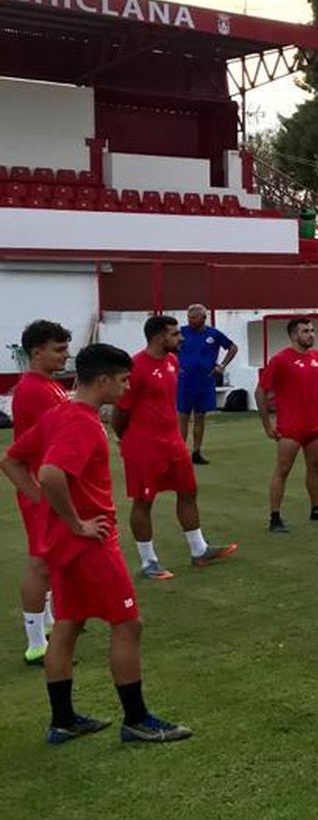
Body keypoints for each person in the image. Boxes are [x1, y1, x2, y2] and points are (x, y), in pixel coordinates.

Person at [1, 343, 192, 744]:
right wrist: (77, 522)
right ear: (103, 380)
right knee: (128, 624)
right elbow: (52, 473)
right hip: (90, 544)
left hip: (61, 544)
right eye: (123, 381)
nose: (126, 389)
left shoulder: (58, 414)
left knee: (68, 625)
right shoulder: (83, 422)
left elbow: (12, 459)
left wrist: (44, 507)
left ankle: (63, 720)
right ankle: (137, 720)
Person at [113, 315, 236, 580]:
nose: (181, 338)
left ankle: (199, 550)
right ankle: (148, 562)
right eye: (176, 334)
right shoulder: (135, 367)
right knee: (144, 501)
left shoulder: (172, 361)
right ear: (159, 337)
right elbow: (120, 413)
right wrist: (127, 439)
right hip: (145, 446)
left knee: (189, 491)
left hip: (173, 443)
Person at [11, 319, 71, 664]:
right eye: (58, 350)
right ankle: (35, 644)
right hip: (39, 486)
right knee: (39, 563)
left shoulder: (47, 386)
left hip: (44, 484)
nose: (65, 356)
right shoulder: (34, 389)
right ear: (37, 352)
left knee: (47, 561)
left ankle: (46, 624)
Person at [258, 317, 318, 533]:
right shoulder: (280, 360)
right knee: (282, 470)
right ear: (294, 335)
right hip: (290, 428)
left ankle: (317, 508)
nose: (311, 334)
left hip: (315, 426)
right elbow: (261, 391)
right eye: (306, 331)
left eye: (312, 330)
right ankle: (275, 517)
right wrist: (267, 424)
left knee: (316, 467)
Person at [175, 303, 236, 466]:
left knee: (200, 416)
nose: (191, 320)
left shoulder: (213, 334)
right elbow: (169, 348)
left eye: (194, 317)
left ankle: (196, 451)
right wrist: (175, 366)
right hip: (185, 380)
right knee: (183, 415)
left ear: (203, 317)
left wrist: (222, 365)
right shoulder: (181, 332)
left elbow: (232, 347)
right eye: (189, 317)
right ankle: (180, 452)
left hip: (204, 380)